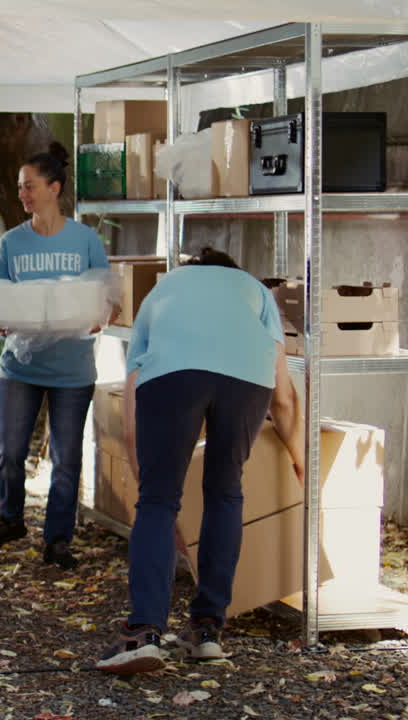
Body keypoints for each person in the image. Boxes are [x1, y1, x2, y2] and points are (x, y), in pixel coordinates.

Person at [96, 247, 303, 674]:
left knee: (157, 502)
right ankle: (207, 631)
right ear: (233, 270)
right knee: (226, 492)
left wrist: (149, 488)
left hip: (173, 378)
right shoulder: (255, 292)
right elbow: (283, 397)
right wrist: (302, 462)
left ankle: (143, 634)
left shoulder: (162, 291)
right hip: (246, 378)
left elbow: (133, 416)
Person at [0, 142, 110, 571]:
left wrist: (100, 314)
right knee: (10, 452)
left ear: (54, 188)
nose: (23, 194)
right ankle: (10, 519)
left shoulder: (86, 239)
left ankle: (58, 540)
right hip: (21, 366)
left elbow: (109, 299)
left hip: (73, 369)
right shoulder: (11, 244)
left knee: (66, 459)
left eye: (30, 186)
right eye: (19, 187)